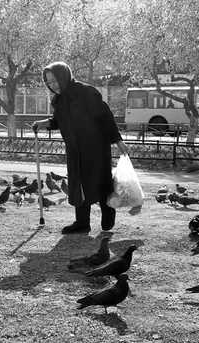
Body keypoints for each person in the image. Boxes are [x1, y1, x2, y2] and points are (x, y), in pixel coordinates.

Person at [32, 62, 130, 234]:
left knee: (99, 182)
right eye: (49, 83)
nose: (53, 85)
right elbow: (58, 121)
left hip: (96, 149)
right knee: (78, 186)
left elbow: (105, 116)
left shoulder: (85, 91)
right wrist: (44, 123)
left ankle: (108, 213)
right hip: (75, 151)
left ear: (64, 76)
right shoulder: (58, 100)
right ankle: (82, 223)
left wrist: (118, 140)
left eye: (55, 80)